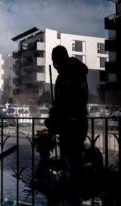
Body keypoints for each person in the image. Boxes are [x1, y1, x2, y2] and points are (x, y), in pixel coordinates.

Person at [46, 45, 88, 204]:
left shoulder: (70, 74)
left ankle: (75, 195)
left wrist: (57, 114)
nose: (55, 66)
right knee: (71, 161)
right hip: (72, 124)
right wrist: (56, 112)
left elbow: (70, 102)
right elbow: (62, 102)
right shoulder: (69, 73)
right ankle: (73, 194)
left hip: (73, 125)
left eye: (55, 62)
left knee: (73, 162)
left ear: (61, 59)